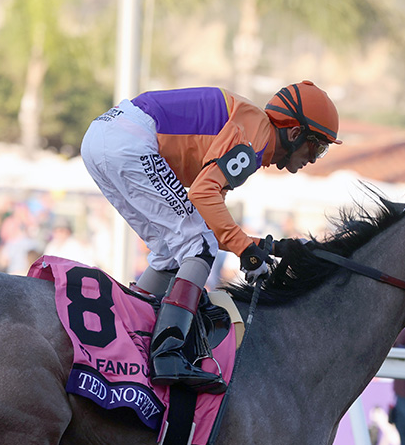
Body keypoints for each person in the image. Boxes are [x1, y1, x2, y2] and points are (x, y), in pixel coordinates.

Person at [80, 81, 340, 392]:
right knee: (197, 246)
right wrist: (246, 251)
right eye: (318, 147)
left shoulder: (251, 132)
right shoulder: (255, 135)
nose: (314, 159)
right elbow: (203, 196)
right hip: (128, 140)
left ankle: (130, 337)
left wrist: (265, 247)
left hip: (104, 138)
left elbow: (208, 218)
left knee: (170, 252)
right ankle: (167, 354)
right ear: (295, 133)